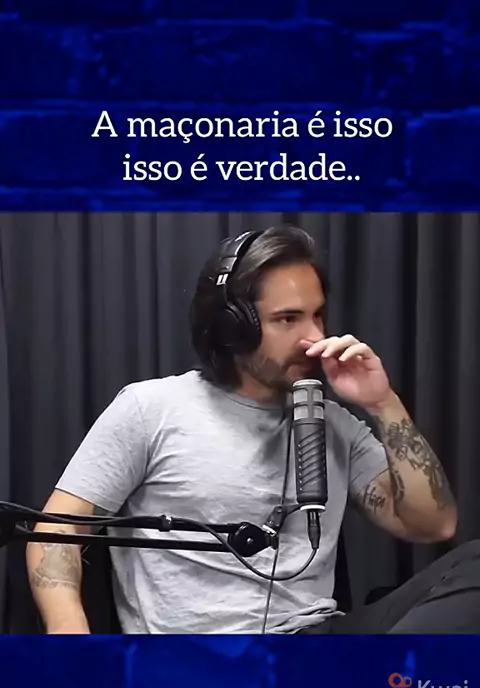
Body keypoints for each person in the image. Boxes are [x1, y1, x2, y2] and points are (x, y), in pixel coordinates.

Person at [26, 224, 476, 636]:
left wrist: (382, 403)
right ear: (232, 326)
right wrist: (72, 640)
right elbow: (56, 532)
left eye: (318, 316)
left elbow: (434, 524)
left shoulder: (333, 423)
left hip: (320, 642)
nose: (314, 337)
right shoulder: (152, 409)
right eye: (288, 319)